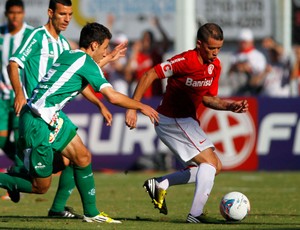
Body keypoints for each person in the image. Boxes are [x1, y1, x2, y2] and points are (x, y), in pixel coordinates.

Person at [1, 22, 159, 223]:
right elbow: (112, 97)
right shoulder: (83, 61)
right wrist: (141, 106)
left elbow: (82, 72)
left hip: (47, 117)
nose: (105, 52)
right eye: (104, 48)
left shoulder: (71, 54)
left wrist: (108, 59)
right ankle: (11, 179)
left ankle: (91, 213)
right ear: (94, 45)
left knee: (82, 156)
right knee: (40, 187)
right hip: (37, 122)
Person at [125, 23, 248, 223]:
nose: (216, 53)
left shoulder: (215, 66)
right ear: (199, 44)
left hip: (186, 120)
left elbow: (209, 98)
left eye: (219, 48)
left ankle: (161, 183)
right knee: (209, 162)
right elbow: (149, 74)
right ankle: (196, 214)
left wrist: (229, 106)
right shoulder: (185, 61)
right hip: (171, 119)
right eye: (211, 48)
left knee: (215, 166)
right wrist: (133, 107)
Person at [7, 0, 111, 219]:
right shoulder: (37, 37)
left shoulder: (64, 46)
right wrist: (19, 92)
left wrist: (100, 104)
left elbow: (77, 80)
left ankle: (54, 206)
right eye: (62, 14)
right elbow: (14, 63)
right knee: (43, 182)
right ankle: (19, 177)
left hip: (53, 114)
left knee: (75, 158)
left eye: (70, 14)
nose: (67, 19)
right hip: (36, 113)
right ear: (50, 13)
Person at [0, 0, 33, 199]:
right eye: (11, 13)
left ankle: (16, 177)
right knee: (2, 139)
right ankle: (16, 174)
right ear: (6, 13)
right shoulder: (1, 33)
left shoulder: (31, 34)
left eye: (18, 12)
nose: (15, 16)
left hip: (23, 96)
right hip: (2, 97)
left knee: (22, 140)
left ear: (23, 13)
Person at [125, 16, 170, 97]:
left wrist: (158, 26)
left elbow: (166, 42)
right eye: (145, 39)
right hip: (141, 96)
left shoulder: (156, 54)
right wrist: (134, 52)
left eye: (149, 39)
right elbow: (128, 74)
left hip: (156, 94)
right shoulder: (138, 56)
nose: (147, 42)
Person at [228, 28, 267, 96]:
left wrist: (248, 69)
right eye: (241, 42)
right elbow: (229, 74)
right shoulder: (234, 55)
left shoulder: (258, 55)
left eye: (245, 42)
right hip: (237, 91)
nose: (243, 44)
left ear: (251, 42)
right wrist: (236, 67)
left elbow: (261, 75)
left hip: (254, 92)